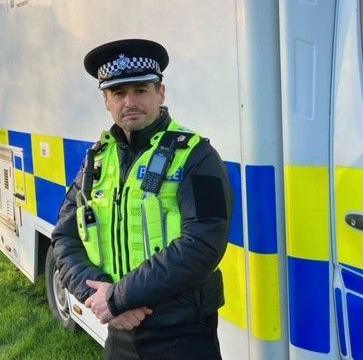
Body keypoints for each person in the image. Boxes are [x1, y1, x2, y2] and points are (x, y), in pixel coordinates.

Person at [52, 39, 232, 359]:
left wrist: (119, 297)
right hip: (121, 331)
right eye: (119, 93)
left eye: (140, 90)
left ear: (160, 93)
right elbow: (65, 236)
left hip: (184, 332)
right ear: (106, 100)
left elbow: (204, 243)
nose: (130, 102)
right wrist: (98, 295)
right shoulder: (96, 160)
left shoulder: (197, 155)